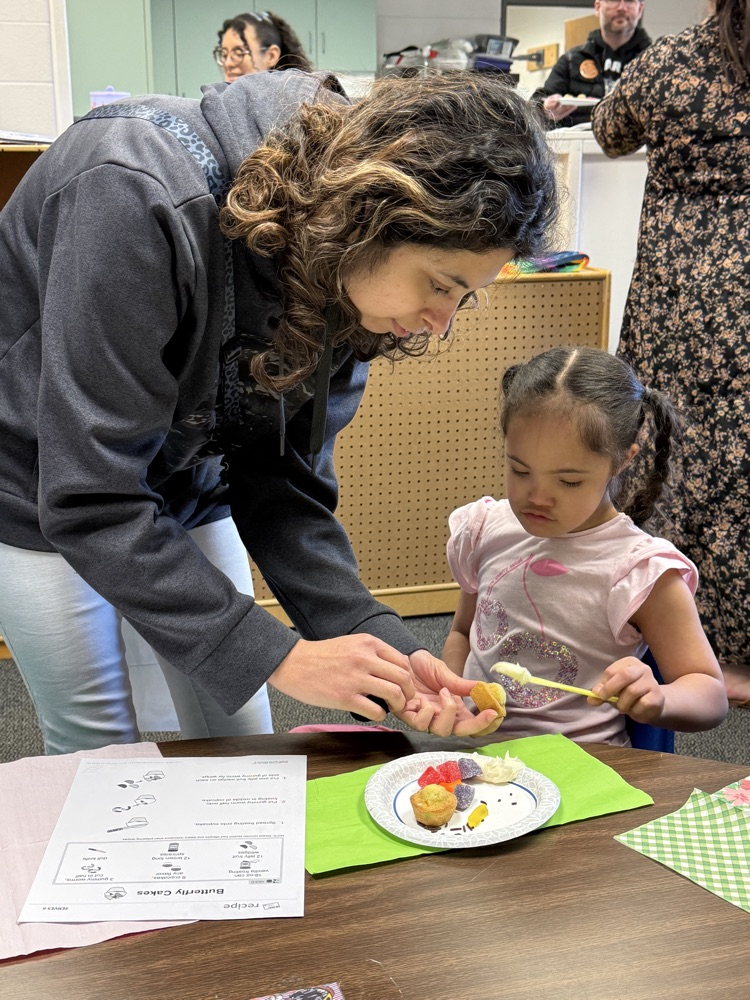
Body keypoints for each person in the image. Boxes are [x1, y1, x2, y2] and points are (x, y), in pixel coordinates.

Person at [0, 70, 558, 755]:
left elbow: (284, 482)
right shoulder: (131, 192)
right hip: (38, 481)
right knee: (98, 752)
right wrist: (285, 658)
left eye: (463, 296)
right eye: (439, 285)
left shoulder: (349, 285)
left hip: (183, 470)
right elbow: (91, 497)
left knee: (236, 732)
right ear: (368, 219)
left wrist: (384, 654)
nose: (441, 323)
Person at [441, 346, 728, 745]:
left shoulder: (639, 571)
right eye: (520, 470)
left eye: (569, 481)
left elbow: (710, 694)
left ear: (622, 461)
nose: (537, 496)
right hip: (472, 757)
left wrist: (659, 698)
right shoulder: (486, 529)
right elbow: (461, 633)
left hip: (583, 769)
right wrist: (452, 692)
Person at [592, 0, 750, 707]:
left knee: (663, 451)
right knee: (740, 466)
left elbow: (609, 131)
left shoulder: (674, 59)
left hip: (676, 293)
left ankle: (666, 636)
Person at [535, 0, 650, 127]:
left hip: (640, 145)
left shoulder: (656, 63)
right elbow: (533, 110)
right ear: (597, 7)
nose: (622, 7)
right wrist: (546, 112)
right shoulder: (571, 60)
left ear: (640, 9)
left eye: (629, 1)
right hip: (577, 144)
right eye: (613, 0)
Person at [214, 10, 312, 82]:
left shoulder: (294, 105)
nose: (228, 64)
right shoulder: (217, 104)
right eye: (224, 54)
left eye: (239, 53)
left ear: (271, 56)